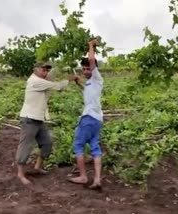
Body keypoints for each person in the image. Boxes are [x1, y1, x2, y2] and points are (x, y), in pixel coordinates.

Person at [16, 62, 77, 185]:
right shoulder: (35, 81)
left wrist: (65, 63)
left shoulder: (42, 78)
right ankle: (20, 174)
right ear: (35, 69)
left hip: (38, 118)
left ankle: (37, 167)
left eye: (46, 70)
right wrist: (70, 79)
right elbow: (57, 86)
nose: (45, 72)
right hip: (29, 118)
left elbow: (52, 75)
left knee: (47, 143)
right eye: (43, 70)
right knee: (26, 145)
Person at [68, 39, 104, 189]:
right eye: (83, 69)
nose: (85, 71)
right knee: (95, 148)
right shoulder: (90, 83)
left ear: (93, 68)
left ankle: (83, 177)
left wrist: (90, 45)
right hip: (97, 120)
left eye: (88, 69)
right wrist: (78, 82)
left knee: (78, 145)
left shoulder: (96, 77)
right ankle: (97, 180)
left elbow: (91, 59)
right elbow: (87, 93)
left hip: (89, 118)